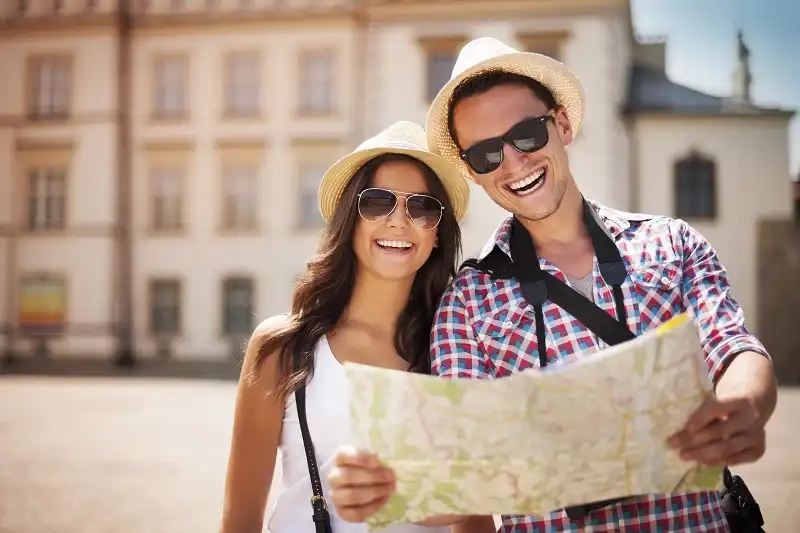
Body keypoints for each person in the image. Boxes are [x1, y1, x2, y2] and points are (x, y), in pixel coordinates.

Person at [327, 37, 778, 532]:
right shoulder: (467, 302)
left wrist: (744, 405)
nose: (513, 164)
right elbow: (465, 473)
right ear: (472, 174)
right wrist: (393, 488)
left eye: (525, 134)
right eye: (485, 154)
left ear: (561, 124)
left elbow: (733, 348)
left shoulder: (673, 242)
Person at [219, 120, 472, 533]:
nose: (399, 220)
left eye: (422, 207)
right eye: (376, 202)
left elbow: (473, 517)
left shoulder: (456, 355)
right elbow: (239, 520)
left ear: (438, 234)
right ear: (350, 220)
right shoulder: (282, 347)